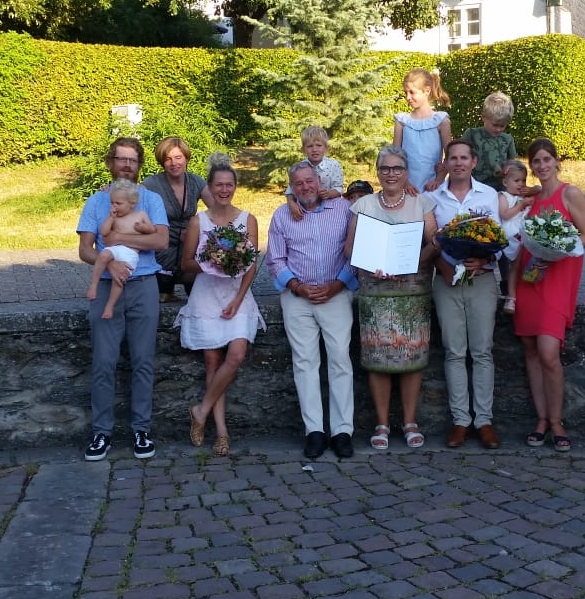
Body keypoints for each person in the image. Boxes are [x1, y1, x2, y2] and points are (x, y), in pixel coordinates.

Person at [77, 137, 169, 462]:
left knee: (143, 360)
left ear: (140, 165)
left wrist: (117, 237)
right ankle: (101, 433)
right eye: (121, 159)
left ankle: (141, 429)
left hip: (143, 284)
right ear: (110, 162)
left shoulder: (151, 200)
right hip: (106, 285)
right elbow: (85, 249)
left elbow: (161, 240)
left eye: (133, 160)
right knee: (104, 361)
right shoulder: (96, 202)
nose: (127, 165)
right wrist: (111, 262)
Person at [344, 146, 437, 450]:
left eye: (397, 168)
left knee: (412, 357)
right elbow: (350, 249)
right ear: (378, 172)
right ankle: (382, 423)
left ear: (406, 172)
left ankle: (410, 421)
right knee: (377, 358)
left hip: (412, 293)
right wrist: (372, 264)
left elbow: (434, 243)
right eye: (385, 168)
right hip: (376, 293)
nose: (391, 174)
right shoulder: (364, 205)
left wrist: (409, 264)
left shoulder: (421, 203)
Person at [266, 161, 360, 460]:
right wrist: (297, 286)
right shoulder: (282, 215)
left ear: (319, 181)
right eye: (299, 183)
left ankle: (342, 431)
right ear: (291, 188)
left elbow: (356, 252)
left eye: (309, 181)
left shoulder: (344, 209)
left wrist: (338, 284)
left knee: (340, 359)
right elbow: (275, 260)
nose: (305, 187)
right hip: (298, 297)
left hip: (336, 293)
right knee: (305, 362)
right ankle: (315, 431)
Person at [506, 137, 585, 453]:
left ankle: (557, 421)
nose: (542, 165)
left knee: (548, 353)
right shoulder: (531, 198)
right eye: (536, 161)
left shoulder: (570, 194)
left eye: (546, 159)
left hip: (555, 280)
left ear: (557, 161)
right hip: (529, 279)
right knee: (531, 352)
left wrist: (559, 249)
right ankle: (542, 419)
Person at [177, 154, 266, 457]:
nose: (224, 190)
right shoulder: (198, 222)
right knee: (212, 362)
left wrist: (238, 299)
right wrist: (212, 261)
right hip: (206, 295)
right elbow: (186, 264)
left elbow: (251, 264)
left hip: (236, 295)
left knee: (236, 354)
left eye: (229, 185)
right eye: (219, 185)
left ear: (235, 187)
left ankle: (200, 410)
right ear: (211, 187)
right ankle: (221, 432)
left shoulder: (247, 219)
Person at [426, 139, 504, 449]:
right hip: (447, 281)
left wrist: (485, 259)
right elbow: (429, 241)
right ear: (445, 163)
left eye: (463, 158)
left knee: (482, 351)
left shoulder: (489, 195)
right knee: (454, 352)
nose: (458, 163)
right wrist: (443, 266)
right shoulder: (432, 198)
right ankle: (461, 420)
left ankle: (484, 421)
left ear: (474, 162)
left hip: (481, 280)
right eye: (453, 158)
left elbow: (500, 238)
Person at [142, 137, 213, 303]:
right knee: (161, 293)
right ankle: (164, 288)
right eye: (168, 159)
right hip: (162, 248)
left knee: (200, 294)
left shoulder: (196, 181)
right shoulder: (151, 183)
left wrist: (196, 232)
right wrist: (112, 190)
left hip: (189, 246)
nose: (174, 163)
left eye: (178, 157)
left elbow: (217, 210)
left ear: (186, 158)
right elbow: (131, 201)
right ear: (162, 162)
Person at [86, 179, 158, 320]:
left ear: (132, 203)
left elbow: (152, 229)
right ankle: (94, 285)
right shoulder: (115, 218)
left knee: (119, 279)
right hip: (116, 248)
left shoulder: (140, 215)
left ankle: (110, 306)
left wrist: (144, 228)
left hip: (131, 253)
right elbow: (104, 232)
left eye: (118, 203)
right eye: (112, 203)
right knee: (103, 255)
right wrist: (110, 218)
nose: (114, 206)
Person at [393, 68, 453, 194]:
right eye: (406, 92)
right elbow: (395, 156)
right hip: (406, 188)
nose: (408, 97)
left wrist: (438, 180)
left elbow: (450, 156)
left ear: (427, 91)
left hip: (432, 188)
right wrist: (405, 182)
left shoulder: (441, 121)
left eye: (412, 92)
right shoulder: (402, 121)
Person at [285, 125, 345, 220]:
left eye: (319, 145)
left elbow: (339, 188)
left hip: (329, 208)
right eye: (310, 146)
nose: (314, 150)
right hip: (306, 209)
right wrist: (291, 204)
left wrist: (329, 194)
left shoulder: (333, 165)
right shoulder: (300, 168)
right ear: (303, 149)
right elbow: (290, 191)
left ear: (326, 148)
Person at [462, 92, 519, 190]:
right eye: (495, 125)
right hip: (474, 187)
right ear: (483, 117)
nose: (498, 129)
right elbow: (460, 157)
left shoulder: (507, 139)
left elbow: (512, 164)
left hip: (499, 188)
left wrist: (506, 171)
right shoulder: (471, 135)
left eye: (502, 126)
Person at [497, 159, 534, 299]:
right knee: (512, 266)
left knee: (524, 265)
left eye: (524, 180)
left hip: (524, 234)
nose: (521, 184)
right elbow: (505, 214)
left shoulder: (523, 196)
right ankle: (510, 293)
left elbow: (539, 190)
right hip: (511, 235)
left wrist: (531, 191)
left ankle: (523, 290)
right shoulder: (503, 196)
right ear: (505, 182)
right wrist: (521, 205)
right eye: (517, 180)